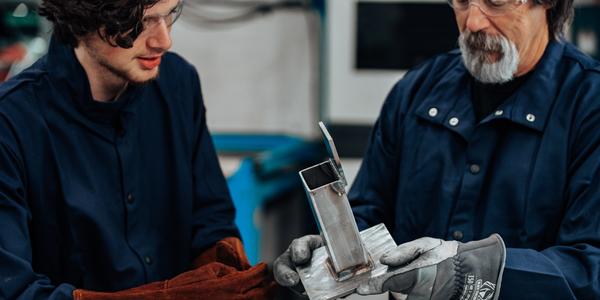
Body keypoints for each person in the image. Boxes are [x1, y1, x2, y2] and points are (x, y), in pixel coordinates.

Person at [274, 0, 600, 299]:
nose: (472, 22)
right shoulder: (417, 91)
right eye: (461, 1)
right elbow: (370, 212)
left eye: (495, 3)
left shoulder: (589, 106)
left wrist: (468, 272)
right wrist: (335, 250)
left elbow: (590, 266)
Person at [0, 0, 274, 299]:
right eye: (139, 23)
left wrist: (243, 280)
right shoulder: (11, 123)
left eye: (169, 15)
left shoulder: (179, 84)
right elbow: (14, 291)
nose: (163, 40)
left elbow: (211, 221)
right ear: (81, 17)